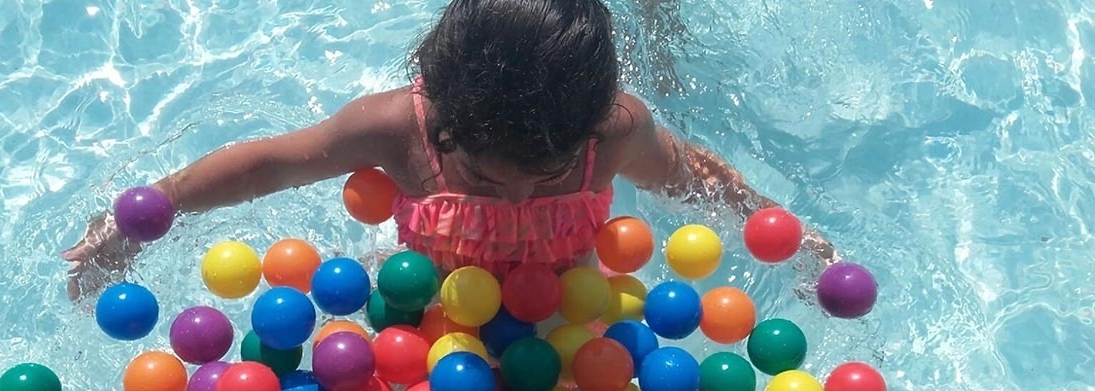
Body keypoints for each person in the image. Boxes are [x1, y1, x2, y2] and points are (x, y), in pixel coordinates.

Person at [62, 0, 835, 299]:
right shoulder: (395, 127)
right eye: (491, 183)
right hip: (425, 297)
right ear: (445, 128)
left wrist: (786, 234)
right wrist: (147, 213)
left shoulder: (611, 130)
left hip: (569, 306)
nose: (522, 199)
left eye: (549, 175)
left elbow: (691, 176)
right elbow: (269, 164)